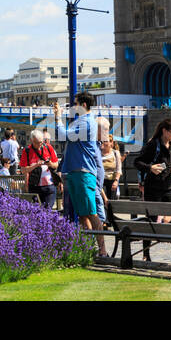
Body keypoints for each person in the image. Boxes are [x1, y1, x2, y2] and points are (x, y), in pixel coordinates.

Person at [53, 95, 108, 256]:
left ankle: (102, 250)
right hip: (75, 171)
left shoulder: (87, 122)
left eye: (75, 104)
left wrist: (58, 118)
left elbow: (63, 135)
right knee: (82, 214)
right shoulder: (80, 121)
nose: (72, 107)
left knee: (91, 212)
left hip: (84, 172)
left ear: (83, 105)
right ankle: (89, 248)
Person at [134, 118, 171, 260]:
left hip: (169, 187)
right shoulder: (153, 145)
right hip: (153, 188)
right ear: (164, 131)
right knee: (152, 219)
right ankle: (146, 254)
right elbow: (137, 162)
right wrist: (150, 168)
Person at [19, 130, 58, 208]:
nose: (39, 144)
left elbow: (56, 165)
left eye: (41, 142)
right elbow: (23, 170)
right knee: (37, 212)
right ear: (32, 141)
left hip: (49, 185)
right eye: (37, 143)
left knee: (47, 211)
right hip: (35, 186)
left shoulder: (48, 147)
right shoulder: (27, 151)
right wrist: (35, 165)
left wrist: (50, 164)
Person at [100, 134, 122, 202]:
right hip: (100, 181)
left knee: (110, 203)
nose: (104, 143)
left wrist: (116, 181)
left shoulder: (115, 153)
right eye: (102, 141)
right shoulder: (98, 153)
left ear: (111, 143)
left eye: (106, 141)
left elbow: (118, 169)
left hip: (111, 181)